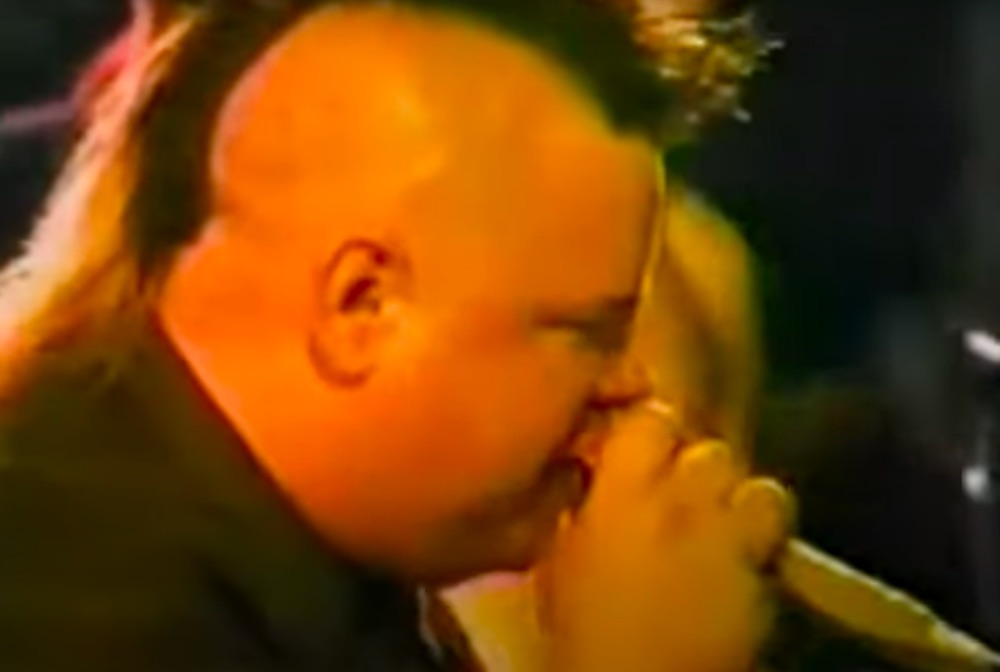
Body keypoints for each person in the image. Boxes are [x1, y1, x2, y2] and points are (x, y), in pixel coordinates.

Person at [0, 1, 792, 670]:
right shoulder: (86, 617)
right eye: (585, 331)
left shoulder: (290, 569)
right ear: (363, 307)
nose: (634, 391)